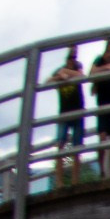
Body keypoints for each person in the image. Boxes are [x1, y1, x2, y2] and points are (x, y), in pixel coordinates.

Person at [49, 49, 87, 185]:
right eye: (71, 58)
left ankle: (75, 182)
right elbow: (47, 82)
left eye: (74, 58)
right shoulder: (60, 71)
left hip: (78, 112)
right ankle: (59, 183)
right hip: (64, 113)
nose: (73, 60)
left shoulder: (76, 69)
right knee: (60, 145)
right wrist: (59, 77)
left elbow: (82, 76)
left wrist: (66, 74)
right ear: (66, 59)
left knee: (77, 148)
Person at [88, 39, 110, 180]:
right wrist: (107, 68)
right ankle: (103, 171)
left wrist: (102, 70)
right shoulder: (99, 58)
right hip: (103, 101)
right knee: (102, 136)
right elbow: (91, 72)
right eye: (109, 47)